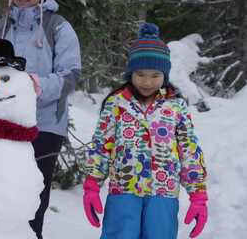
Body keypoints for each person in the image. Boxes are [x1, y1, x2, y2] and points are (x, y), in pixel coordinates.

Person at [0, 0, 82, 239]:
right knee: (0, 191)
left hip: (45, 124)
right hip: (2, 122)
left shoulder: (59, 27)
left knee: (33, 195)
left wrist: (34, 85)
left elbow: (71, 75)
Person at [82, 23, 208, 239]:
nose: (147, 81)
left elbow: (189, 149)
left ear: (165, 74)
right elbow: (101, 145)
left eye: (155, 75)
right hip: (123, 193)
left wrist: (198, 195)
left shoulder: (175, 105)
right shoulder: (116, 103)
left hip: (163, 195)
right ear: (130, 72)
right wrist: (92, 184)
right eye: (140, 74)